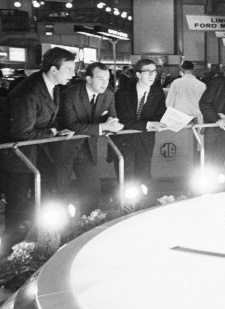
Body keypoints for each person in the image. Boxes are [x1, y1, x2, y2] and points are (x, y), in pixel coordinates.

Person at [4, 47, 77, 241]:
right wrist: (52, 132)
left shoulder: (53, 87)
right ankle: (14, 249)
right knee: (18, 207)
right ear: (53, 69)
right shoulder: (29, 92)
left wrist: (56, 131)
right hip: (20, 157)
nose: (73, 73)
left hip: (37, 153)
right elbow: (21, 132)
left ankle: (45, 240)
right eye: (69, 69)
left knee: (47, 196)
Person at [55, 62, 123, 214]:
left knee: (92, 189)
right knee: (60, 192)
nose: (105, 83)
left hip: (87, 148)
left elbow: (112, 117)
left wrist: (113, 123)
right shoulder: (70, 94)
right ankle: (61, 227)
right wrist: (102, 126)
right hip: (64, 148)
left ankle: (89, 222)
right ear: (88, 79)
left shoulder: (108, 94)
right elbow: (71, 125)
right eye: (100, 79)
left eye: (107, 79)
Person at [114, 59, 167, 188]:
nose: (152, 75)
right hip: (125, 140)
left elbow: (160, 114)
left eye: (154, 71)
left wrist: (168, 120)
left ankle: (143, 200)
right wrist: (149, 124)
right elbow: (123, 119)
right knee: (127, 180)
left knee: (144, 177)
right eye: (148, 72)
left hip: (145, 140)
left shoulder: (157, 92)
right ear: (138, 74)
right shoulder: (123, 93)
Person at [165, 60, 206, 126]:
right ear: (193, 69)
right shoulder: (202, 85)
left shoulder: (176, 83)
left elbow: (169, 103)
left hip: (180, 118)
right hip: (197, 119)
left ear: (182, 69)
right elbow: (204, 104)